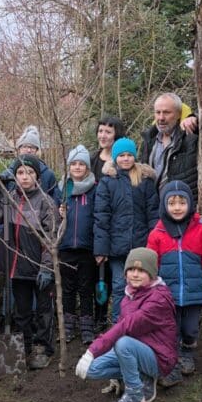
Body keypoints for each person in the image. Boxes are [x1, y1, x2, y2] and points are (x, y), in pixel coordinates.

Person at [74, 248, 177, 402]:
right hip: (135, 349)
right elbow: (120, 327)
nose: (135, 274)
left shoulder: (158, 299)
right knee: (90, 369)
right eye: (131, 269)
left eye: (141, 270)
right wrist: (96, 357)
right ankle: (140, 378)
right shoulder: (130, 295)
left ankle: (136, 396)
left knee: (123, 343)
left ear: (151, 273)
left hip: (158, 358)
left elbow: (126, 326)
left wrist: (93, 350)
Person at [147, 180, 202, 386]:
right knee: (170, 329)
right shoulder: (157, 234)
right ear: (165, 206)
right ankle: (170, 362)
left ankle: (187, 351)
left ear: (189, 204)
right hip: (167, 295)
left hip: (194, 294)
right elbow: (149, 267)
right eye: (172, 203)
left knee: (190, 329)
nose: (177, 207)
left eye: (182, 203)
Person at [0, 154, 58, 369]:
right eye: (20, 173)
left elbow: (51, 238)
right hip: (16, 266)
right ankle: (24, 347)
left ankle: (43, 348)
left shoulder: (46, 202)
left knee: (44, 311)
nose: (25, 177)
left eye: (30, 172)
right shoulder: (10, 200)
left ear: (37, 176)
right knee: (22, 312)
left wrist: (46, 268)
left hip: (38, 266)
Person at [93, 138, 159, 322]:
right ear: (115, 158)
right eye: (121, 155)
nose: (126, 159)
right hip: (116, 248)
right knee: (119, 285)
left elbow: (153, 214)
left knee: (141, 287)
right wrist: (101, 249)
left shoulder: (144, 181)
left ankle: (138, 323)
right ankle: (118, 324)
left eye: (129, 155)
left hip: (140, 246)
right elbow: (101, 216)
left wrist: (153, 243)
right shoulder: (107, 182)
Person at [58, 145, 99, 345]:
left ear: (87, 168)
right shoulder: (61, 189)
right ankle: (67, 324)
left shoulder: (94, 189)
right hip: (65, 248)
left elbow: (99, 218)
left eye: (81, 164)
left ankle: (86, 326)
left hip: (87, 248)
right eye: (73, 163)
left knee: (86, 288)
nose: (77, 167)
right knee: (67, 288)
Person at [90, 116, 125, 331]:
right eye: (101, 131)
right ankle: (98, 317)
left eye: (108, 132)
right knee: (97, 275)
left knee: (114, 277)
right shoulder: (91, 159)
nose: (103, 135)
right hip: (94, 224)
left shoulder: (122, 159)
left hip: (115, 226)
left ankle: (114, 318)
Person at [138, 93, 198, 200]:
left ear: (179, 114)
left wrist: (194, 118)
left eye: (166, 112)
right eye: (158, 112)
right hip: (154, 209)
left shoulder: (188, 137)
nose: (161, 118)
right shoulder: (148, 140)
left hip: (181, 207)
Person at [0, 125, 61, 205]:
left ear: (37, 150)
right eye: (25, 146)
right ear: (19, 149)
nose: (29, 150)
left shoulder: (48, 175)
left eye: (33, 147)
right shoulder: (8, 174)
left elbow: (55, 202)